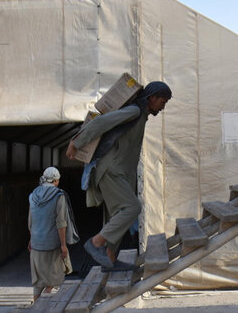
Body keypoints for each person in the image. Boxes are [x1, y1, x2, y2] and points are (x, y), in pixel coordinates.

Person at [66, 81, 172, 271]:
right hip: (110, 171)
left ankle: (109, 258)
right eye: (162, 101)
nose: (163, 107)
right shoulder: (135, 111)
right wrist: (77, 142)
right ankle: (95, 243)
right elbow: (100, 122)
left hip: (119, 173)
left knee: (115, 215)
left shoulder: (142, 116)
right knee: (131, 208)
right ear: (152, 98)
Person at [28, 167, 75, 301]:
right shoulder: (59, 196)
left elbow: (31, 220)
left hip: (36, 243)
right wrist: (63, 245)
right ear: (55, 180)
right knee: (52, 278)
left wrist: (31, 239)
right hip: (52, 244)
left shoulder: (32, 196)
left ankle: (36, 307)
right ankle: (46, 305)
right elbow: (61, 223)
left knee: (38, 280)